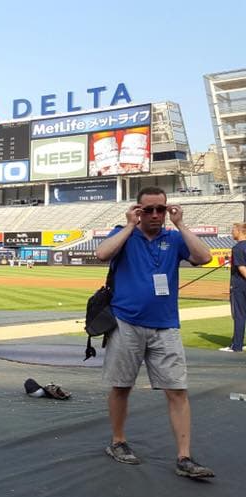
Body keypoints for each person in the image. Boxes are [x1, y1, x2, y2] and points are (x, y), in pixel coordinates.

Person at [95, 186, 214, 478]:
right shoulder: (123, 234)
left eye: (160, 209)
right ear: (137, 210)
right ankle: (118, 441)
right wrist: (128, 224)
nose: (155, 215)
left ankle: (184, 457)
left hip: (166, 325)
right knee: (121, 386)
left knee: (177, 390)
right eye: (147, 209)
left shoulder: (174, 238)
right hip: (126, 322)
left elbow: (205, 257)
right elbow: (101, 253)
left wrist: (181, 224)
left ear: (167, 209)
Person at [220, 222, 246, 353]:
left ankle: (237, 346)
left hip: (239, 286)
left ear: (240, 231)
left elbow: (242, 269)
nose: (231, 233)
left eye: (233, 230)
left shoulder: (237, 248)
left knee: (239, 315)